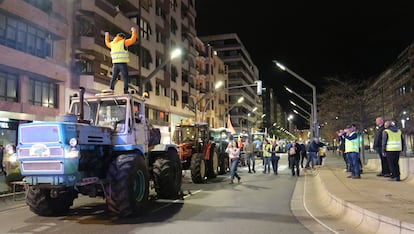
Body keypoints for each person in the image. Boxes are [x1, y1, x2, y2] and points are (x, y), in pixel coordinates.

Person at [105, 27, 137, 94]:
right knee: (125, 77)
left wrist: (106, 36)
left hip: (115, 64)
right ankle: (125, 90)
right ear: (123, 37)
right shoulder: (123, 42)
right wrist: (134, 31)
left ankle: (111, 89)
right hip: (122, 63)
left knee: (114, 77)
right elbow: (132, 40)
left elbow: (107, 43)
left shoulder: (112, 44)